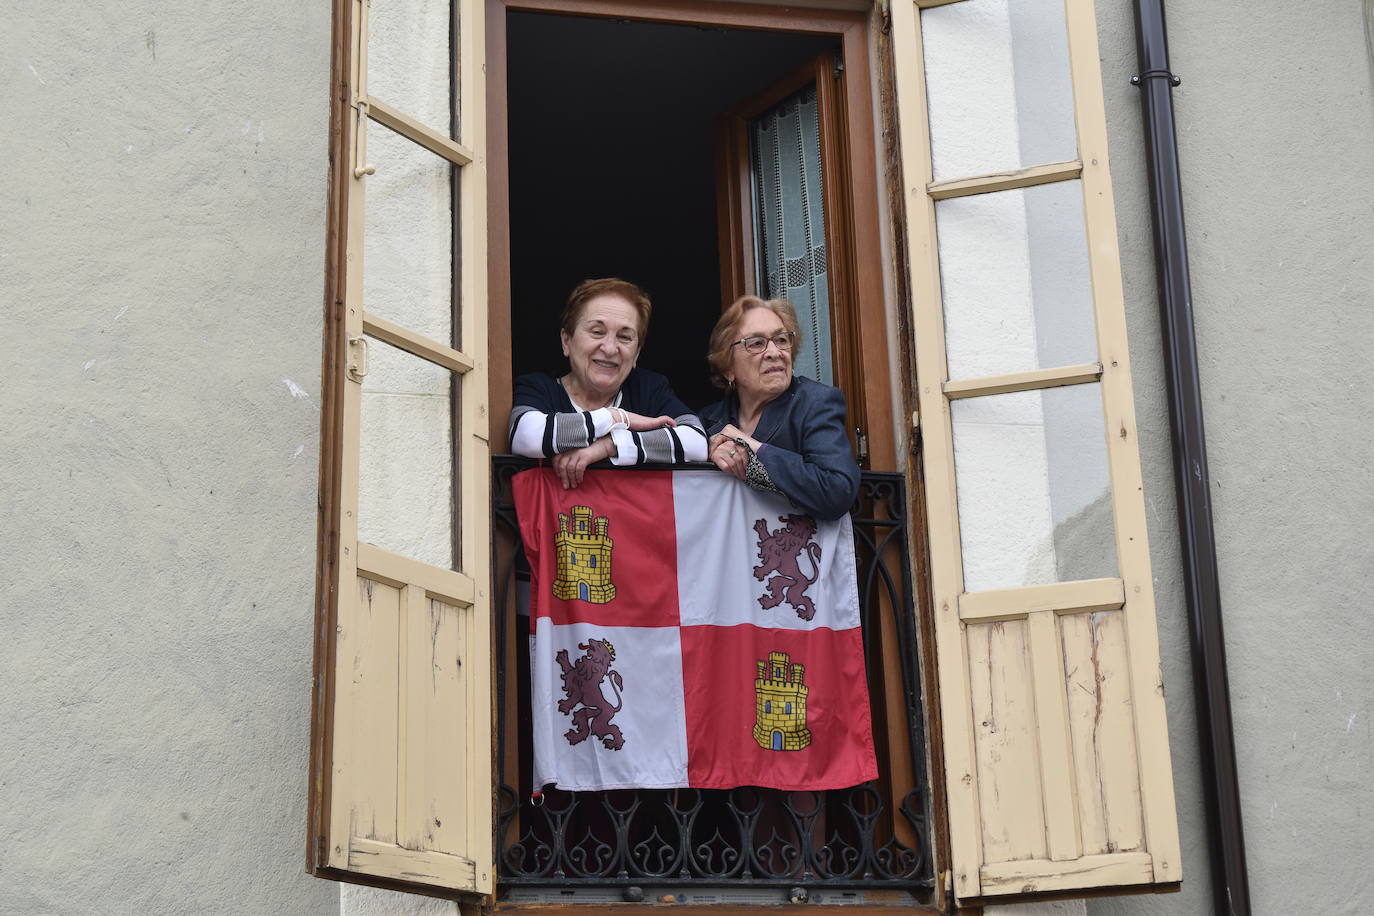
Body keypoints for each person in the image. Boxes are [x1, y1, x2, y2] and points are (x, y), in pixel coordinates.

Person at [509, 278, 708, 489]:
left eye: (624, 337)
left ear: (637, 354)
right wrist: (616, 417)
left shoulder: (649, 388)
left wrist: (611, 444)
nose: (610, 348)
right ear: (566, 341)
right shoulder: (537, 387)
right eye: (597, 332)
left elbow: (696, 442)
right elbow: (526, 436)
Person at [699, 296, 860, 520]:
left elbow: (836, 490)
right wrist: (710, 450)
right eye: (756, 343)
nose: (775, 352)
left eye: (781, 340)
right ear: (728, 367)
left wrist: (754, 449)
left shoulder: (815, 403)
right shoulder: (708, 422)